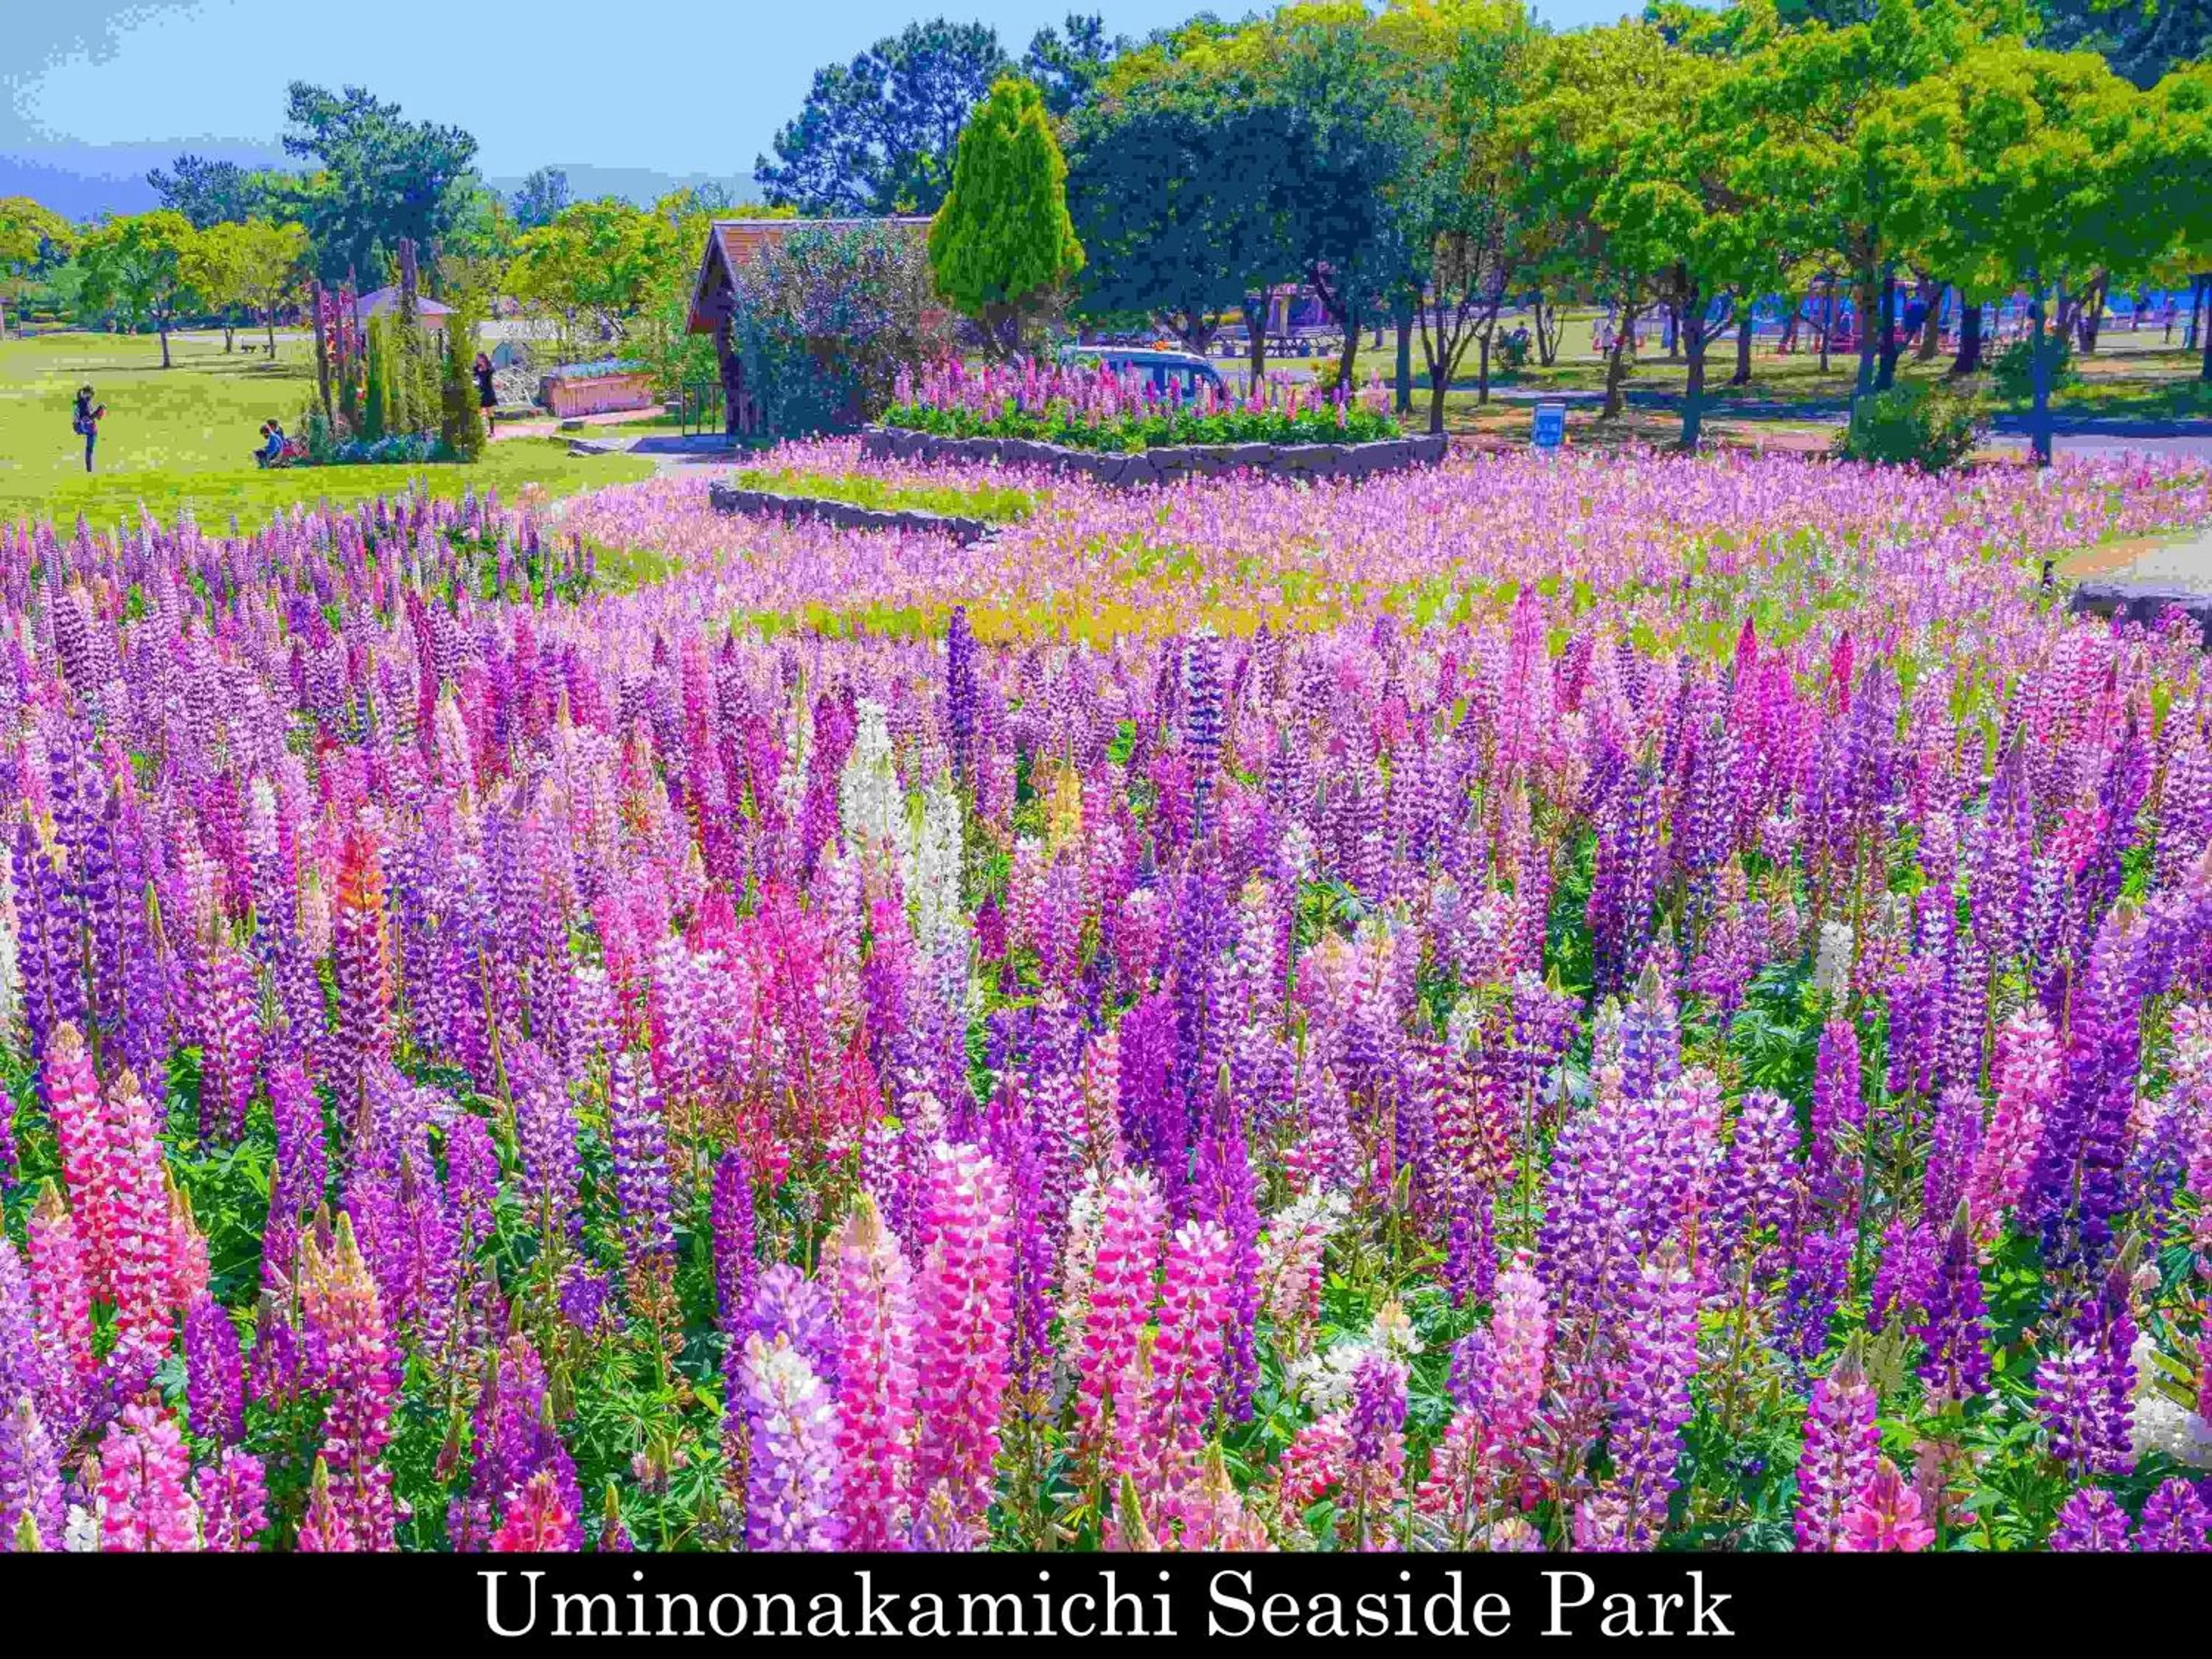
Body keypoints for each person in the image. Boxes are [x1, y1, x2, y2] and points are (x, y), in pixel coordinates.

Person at [72, 386, 105, 473]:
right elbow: (86, 419)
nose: (92, 397)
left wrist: (98, 413)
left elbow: (79, 394)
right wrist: (98, 411)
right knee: (92, 434)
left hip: (78, 427)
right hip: (82, 426)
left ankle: (89, 470)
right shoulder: (84, 403)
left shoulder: (82, 400)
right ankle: (89, 470)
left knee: (92, 433)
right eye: (91, 395)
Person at [474, 352, 498, 432]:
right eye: (476, 358)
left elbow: (493, 374)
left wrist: (498, 384)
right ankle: (481, 430)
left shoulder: (490, 368)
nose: (477, 359)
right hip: (480, 392)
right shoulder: (476, 368)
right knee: (479, 412)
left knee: (490, 412)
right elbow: (473, 376)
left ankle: (492, 432)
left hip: (489, 392)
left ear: (483, 358)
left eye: (478, 358)